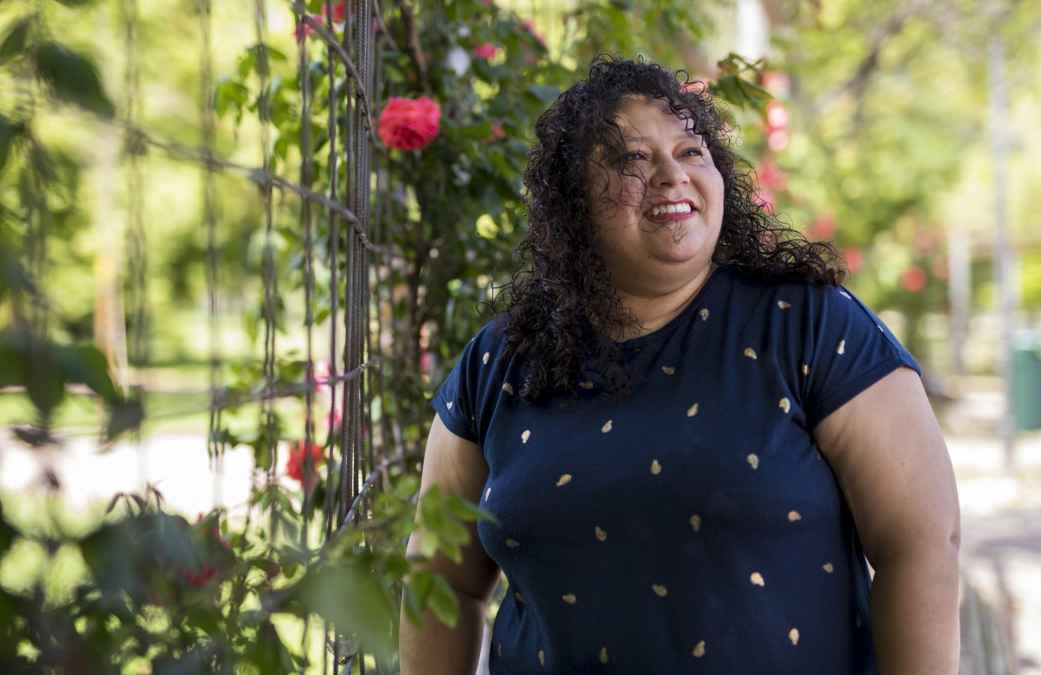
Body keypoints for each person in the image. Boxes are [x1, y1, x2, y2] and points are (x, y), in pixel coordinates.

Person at [399, 56, 960, 675]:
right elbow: (439, 579)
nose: (672, 175)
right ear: (573, 202)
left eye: (692, 152)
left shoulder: (808, 325)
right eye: (632, 159)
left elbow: (921, 543)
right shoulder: (500, 361)